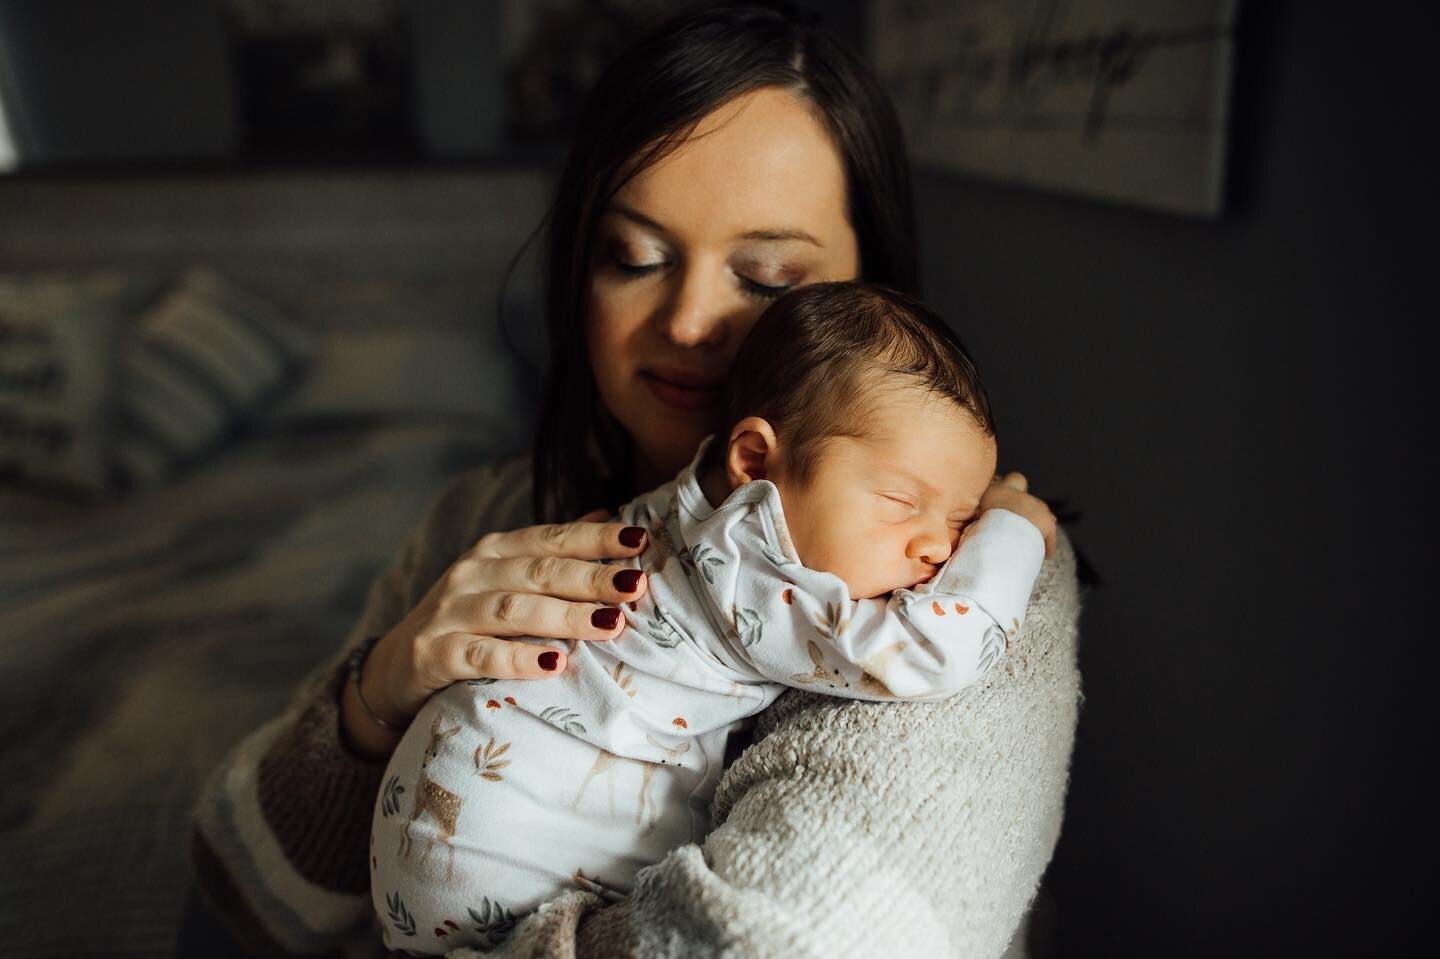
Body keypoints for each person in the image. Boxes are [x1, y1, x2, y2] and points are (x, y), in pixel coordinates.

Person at [190, 4, 1081, 956]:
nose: (692, 319)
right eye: (635, 257)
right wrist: (378, 691)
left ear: (873, 289)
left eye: (770, 278)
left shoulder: (962, 579)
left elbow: (804, 943)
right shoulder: (483, 517)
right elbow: (249, 898)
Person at [372, 281, 1053, 955]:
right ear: (755, 460)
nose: (941, 548)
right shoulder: (751, 563)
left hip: (432, 822)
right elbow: (928, 650)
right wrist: (1011, 532)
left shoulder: (690, 501)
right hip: (507, 851)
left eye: (962, 518)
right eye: (903, 500)